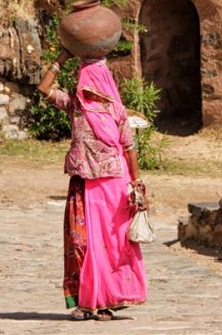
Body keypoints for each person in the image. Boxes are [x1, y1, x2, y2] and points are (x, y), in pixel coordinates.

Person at [38, 46, 148, 321]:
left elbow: (129, 147)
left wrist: (137, 184)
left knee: (110, 243)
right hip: (85, 184)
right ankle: (88, 300)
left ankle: (105, 302)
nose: (82, 83)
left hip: (113, 186)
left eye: (86, 78)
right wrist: (62, 57)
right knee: (82, 242)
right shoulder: (75, 106)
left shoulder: (116, 111)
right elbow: (44, 89)